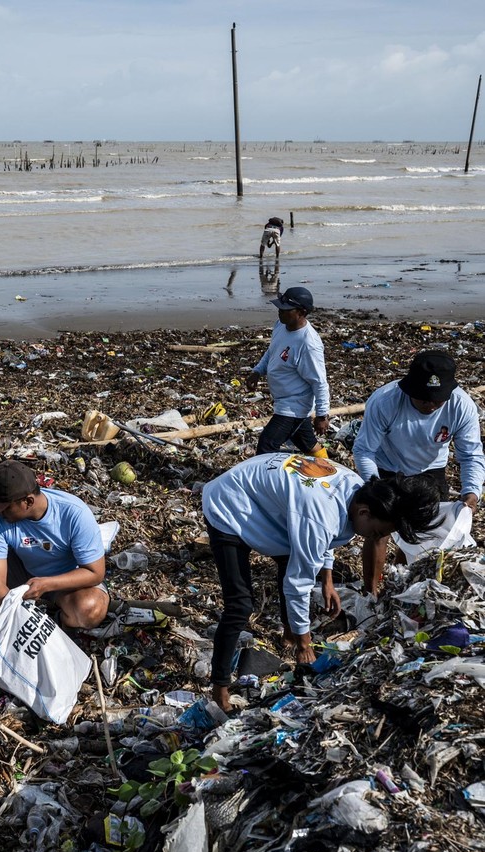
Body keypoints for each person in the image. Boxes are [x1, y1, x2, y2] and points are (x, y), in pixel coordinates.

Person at [201, 452, 441, 711]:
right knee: (240, 606)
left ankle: (289, 634)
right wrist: (307, 646)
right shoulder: (321, 514)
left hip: (263, 499)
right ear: (364, 512)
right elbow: (299, 579)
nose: (374, 538)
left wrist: (327, 579)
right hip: (228, 502)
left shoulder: (355, 487)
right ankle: (220, 691)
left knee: (290, 558)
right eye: (377, 532)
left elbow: (325, 535)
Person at [353, 349, 485, 593]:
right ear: (409, 388)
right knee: (378, 531)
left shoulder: (462, 406)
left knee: (422, 533)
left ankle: (402, 582)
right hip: (388, 468)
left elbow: (471, 454)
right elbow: (363, 450)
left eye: (437, 399)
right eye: (423, 398)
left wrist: (472, 492)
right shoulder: (385, 401)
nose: (430, 404)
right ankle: (370, 591)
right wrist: (374, 486)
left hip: (430, 470)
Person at [0, 460, 108, 634]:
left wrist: (46, 584)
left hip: (65, 582)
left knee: (90, 609)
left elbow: (95, 573)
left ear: (28, 502)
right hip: (22, 574)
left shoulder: (74, 514)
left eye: (4, 508)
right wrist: (16, 621)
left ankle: (59, 622)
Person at [246, 286, 330, 458]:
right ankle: (329, 470)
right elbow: (272, 351)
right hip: (282, 400)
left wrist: (322, 415)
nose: (280, 312)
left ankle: (266, 483)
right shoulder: (281, 325)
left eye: (285, 309)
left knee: (266, 446)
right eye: (279, 308)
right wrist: (257, 371)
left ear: (301, 312)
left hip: (294, 406)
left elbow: (319, 381)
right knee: (307, 443)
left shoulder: (308, 344)